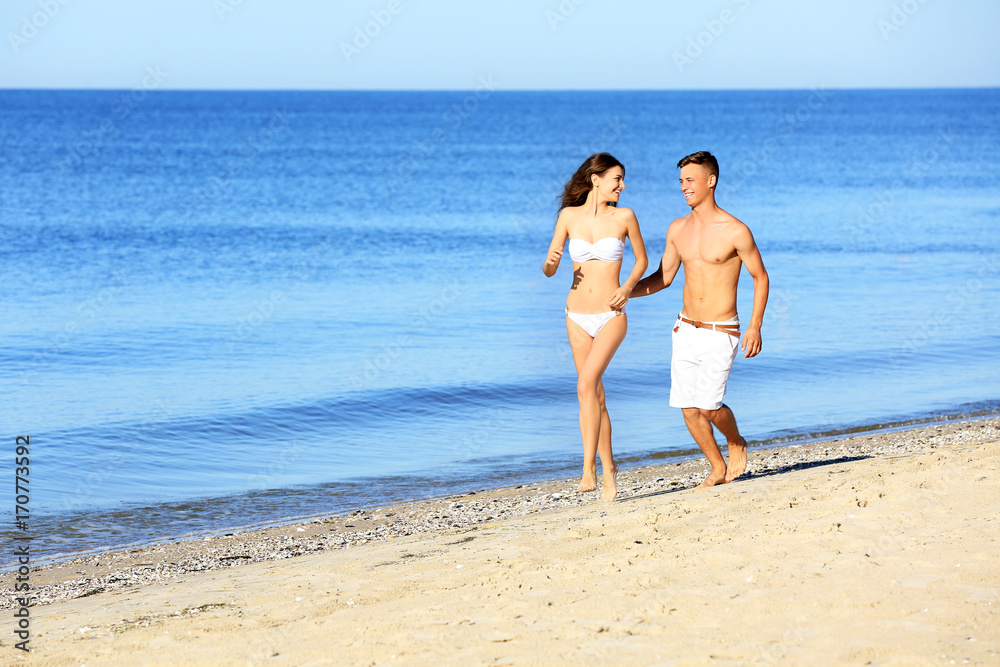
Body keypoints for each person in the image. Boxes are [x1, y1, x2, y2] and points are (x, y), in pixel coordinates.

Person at [631, 151, 769, 487]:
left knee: (708, 406)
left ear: (711, 181)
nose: (683, 187)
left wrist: (755, 325)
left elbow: (760, 277)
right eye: (680, 181)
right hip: (685, 328)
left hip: (722, 330)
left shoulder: (736, 230)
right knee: (687, 408)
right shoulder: (678, 229)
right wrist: (624, 292)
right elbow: (662, 279)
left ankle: (736, 441)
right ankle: (717, 468)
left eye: (690, 180)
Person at [543, 152, 648, 502]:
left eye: (622, 179)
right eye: (617, 178)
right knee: (595, 396)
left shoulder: (625, 217)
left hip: (610, 315)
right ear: (596, 179)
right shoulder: (569, 217)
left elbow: (643, 260)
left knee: (585, 384)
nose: (622, 185)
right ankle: (610, 471)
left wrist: (627, 287)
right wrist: (550, 263)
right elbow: (549, 268)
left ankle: (588, 467)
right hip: (575, 315)